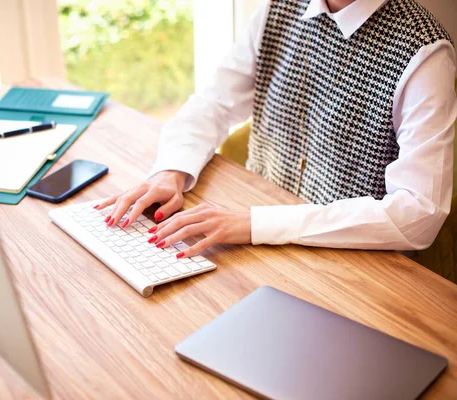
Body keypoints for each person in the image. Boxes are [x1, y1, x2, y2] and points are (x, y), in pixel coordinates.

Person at [96, 0, 457, 259]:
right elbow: (214, 103)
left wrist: (257, 224)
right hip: (252, 237)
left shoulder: (425, 52)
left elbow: (419, 214)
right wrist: (170, 171)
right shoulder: (277, 10)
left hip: (350, 260)